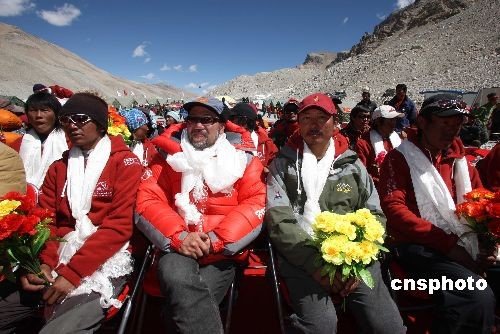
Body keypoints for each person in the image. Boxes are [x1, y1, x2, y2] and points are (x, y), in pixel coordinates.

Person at [0, 92, 143, 333]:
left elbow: (118, 226)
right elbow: (46, 222)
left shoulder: (125, 163)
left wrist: (73, 273)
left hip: (105, 258)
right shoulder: (59, 168)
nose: (72, 126)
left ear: (99, 124)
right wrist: (41, 264)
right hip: (59, 255)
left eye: (80, 119)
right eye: (66, 121)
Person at [266, 93, 404, 334]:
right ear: (298, 123)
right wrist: (314, 265)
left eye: (322, 117)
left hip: (357, 260)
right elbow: (279, 219)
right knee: (320, 327)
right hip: (303, 258)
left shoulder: (352, 164)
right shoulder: (282, 165)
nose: (314, 124)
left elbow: (375, 214)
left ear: (335, 124)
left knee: (388, 327)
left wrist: (358, 258)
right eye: (306, 117)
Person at [135, 96, 266, 333]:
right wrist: (180, 237)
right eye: (192, 119)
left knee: (182, 306)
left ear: (222, 125)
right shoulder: (166, 157)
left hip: (223, 250)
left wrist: (217, 240)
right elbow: (148, 199)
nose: (198, 125)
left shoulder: (243, 160)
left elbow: (255, 203)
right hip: (177, 245)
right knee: (176, 278)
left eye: (207, 119)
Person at [378, 93, 496, 333]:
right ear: (422, 122)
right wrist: (449, 245)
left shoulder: (459, 160)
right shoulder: (398, 159)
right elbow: (394, 209)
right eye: (444, 123)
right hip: (416, 245)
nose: (451, 131)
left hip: (462, 240)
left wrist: (487, 242)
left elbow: (481, 201)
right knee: (474, 294)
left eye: (457, 125)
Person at [11, 91, 68, 192]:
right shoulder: (17, 144)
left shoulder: (69, 142)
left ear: (56, 114)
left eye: (44, 110)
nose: (38, 115)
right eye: (33, 110)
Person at [355, 105, 404, 189]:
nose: (394, 123)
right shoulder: (363, 144)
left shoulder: (397, 139)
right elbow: (362, 174)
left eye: (395, 119)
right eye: (390, 120)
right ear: (378, 121)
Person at [230, 102, 278, 169]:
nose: (245, 126)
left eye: (250, 123)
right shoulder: (224, 141)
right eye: (241, 121)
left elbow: (276, 162)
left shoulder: (265, 143)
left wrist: (268, 169)